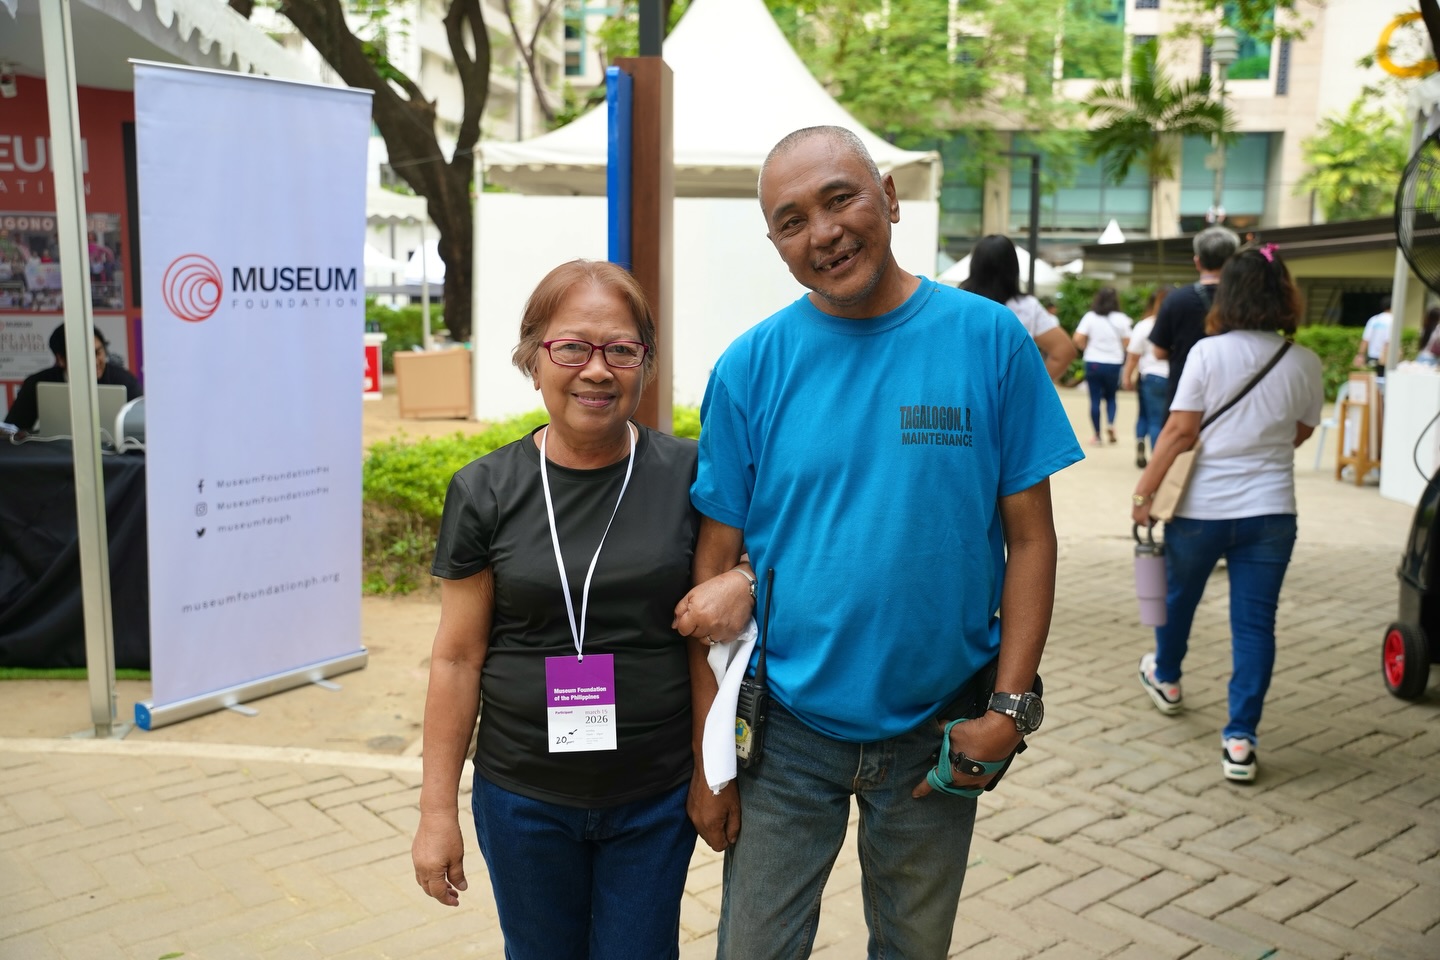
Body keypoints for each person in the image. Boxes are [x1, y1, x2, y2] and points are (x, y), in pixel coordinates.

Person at [683, 125, 1083, 960]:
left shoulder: (989, 342)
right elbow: (711, 572)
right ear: (775, 244)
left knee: (913, 949)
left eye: (841, 199)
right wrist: (707, 761)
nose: (823, 233)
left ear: (890, 198)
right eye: (792, 221)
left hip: (938, 728)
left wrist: (1009, 711)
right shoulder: (750, 367)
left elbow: (1032, 540)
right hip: (785, 733)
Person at [411, 260, 755, 959]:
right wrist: (435, 811)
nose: (596, 370)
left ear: (645, 364)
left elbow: (741, 596)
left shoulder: (690, 477)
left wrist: (746, 580)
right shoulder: (484, 491)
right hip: (523, 798)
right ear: (533, 359)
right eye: (571, 347)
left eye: (621, 350)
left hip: (654, 796)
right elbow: (457, 658)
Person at [1130, 245, 1323, 783]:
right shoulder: (1304, 361)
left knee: (1176, 599)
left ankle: (1167, 677)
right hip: (1273, 512)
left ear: (1228, 295)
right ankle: (1240, 740)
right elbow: (1300, 433)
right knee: (1256, 624)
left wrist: (1144, 494)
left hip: (1200, 510)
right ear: (1284, 295)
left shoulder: (1207, 354)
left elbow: (1179, 432)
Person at [1149, 226, 1240, 416]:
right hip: (1234, 397)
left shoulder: (1175, 300)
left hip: (1184, 397)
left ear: (1197, 262)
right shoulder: (1247, 300)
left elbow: (1158, 352)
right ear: (1233, 261)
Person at [961, 234, 1077, 382]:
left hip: (964, 391)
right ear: (1013, 267)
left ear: (974, 264)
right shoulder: (1026, 306)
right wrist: (1034, 388)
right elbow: (1064, 351)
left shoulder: (959, 301)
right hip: (1008, 392)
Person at [3, 323, 141, 434]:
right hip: (55, 456)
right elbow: (12, 430)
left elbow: (142, 430)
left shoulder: (124, 381)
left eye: (98, 352)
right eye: (85, 356)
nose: (94, 362)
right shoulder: (36, 384)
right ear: (61, 360)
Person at [1072, 286, 1132, 444]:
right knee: (1111, 397)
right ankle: (1111, 424)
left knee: (1094, 399)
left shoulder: (1090, 317)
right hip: (1113, 363)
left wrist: (1085, 346)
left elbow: (1077, 338)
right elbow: (1128, 342)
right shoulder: (1121, 319)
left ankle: (1097, 435)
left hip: (1093, 362)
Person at [1123, 287, 1170, 469]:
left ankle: (1142, 441)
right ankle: (1160, 460)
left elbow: (1133, 356)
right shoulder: (1180, 323)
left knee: (1147, 416)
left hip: (1150, 377)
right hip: (1173, 377)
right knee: (1163, 420)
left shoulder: (1144, 325)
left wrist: (1127, 376)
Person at [1354, 296, 1392, 377]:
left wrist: (1360, 355)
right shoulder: (1392, 320)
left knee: (1372, 380)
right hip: (1385, 357)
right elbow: (1389, 341)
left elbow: (1365, 339)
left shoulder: (1374, 319)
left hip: (1372, 356)